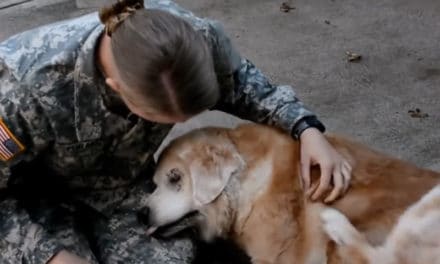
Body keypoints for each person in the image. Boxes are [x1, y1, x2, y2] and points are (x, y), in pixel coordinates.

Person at [0, 0, 352, 263]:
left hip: (120, 189)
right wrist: (47, 255)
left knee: (175, 259)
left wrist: (306, 129)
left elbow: (246, 85)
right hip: (30, 202)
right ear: (114, 86)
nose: (178, 124)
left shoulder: (190, 40)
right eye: (159, 116)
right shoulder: (22, 89)